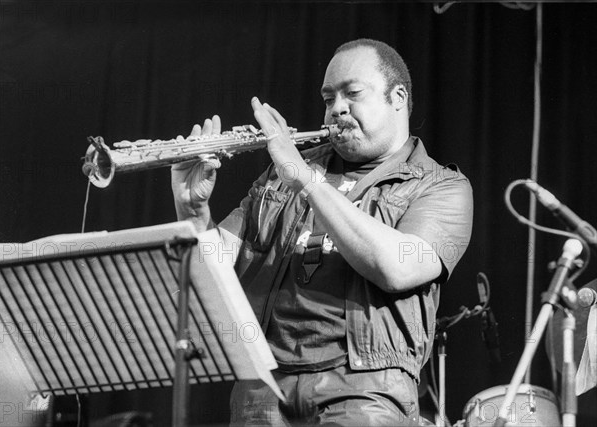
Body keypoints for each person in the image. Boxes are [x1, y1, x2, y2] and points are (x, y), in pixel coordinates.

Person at [171, 39, 473, 426]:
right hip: (261, 390)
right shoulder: (282, 176)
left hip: (364, 390)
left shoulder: (441, 186)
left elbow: (397, 267)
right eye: (329, 97)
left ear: (398, 97)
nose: (336, 109)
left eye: (352, 93)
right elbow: (211, 274)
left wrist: (304, 179)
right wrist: (193, 211)